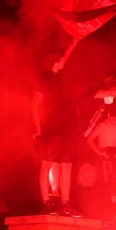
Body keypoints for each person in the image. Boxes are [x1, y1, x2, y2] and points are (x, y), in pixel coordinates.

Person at [32, 47, 81, 217]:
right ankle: (46, 202)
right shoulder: (44, 78)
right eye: (61, 59)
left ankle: (65, 203)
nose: (63, 62)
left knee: (67, 164)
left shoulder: (59, 76)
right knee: (46, 164)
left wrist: (74, 42)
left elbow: (65, 57)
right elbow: (34, 106)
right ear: (55, 61)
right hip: (50, 129)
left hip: (64, 129)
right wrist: (38, 129)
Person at [85, 104, 116, 224]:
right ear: (109, 116)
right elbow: (89, 139)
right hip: (104, 155)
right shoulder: (102, 124)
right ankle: (105, 212)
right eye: (114, 119)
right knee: (105, 182)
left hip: (115, 155)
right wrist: (99, 152)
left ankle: (115, 211)